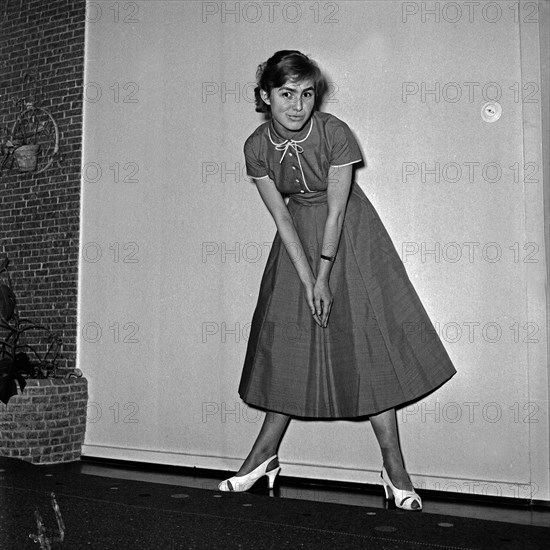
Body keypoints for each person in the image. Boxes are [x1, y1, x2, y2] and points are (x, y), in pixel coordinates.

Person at [218, 50, 457, 511]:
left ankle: (394, 467)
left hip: (350, 236)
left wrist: (323, 277)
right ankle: (262, 457)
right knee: (288, 347)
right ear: (265, 96)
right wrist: (307, 281)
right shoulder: (255, 146)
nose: (297, 105)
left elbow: (338, 209)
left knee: (366, 345)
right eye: (286, 94)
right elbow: (283, 221)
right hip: (297, 241)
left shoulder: (335, 133)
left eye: (307, 94)